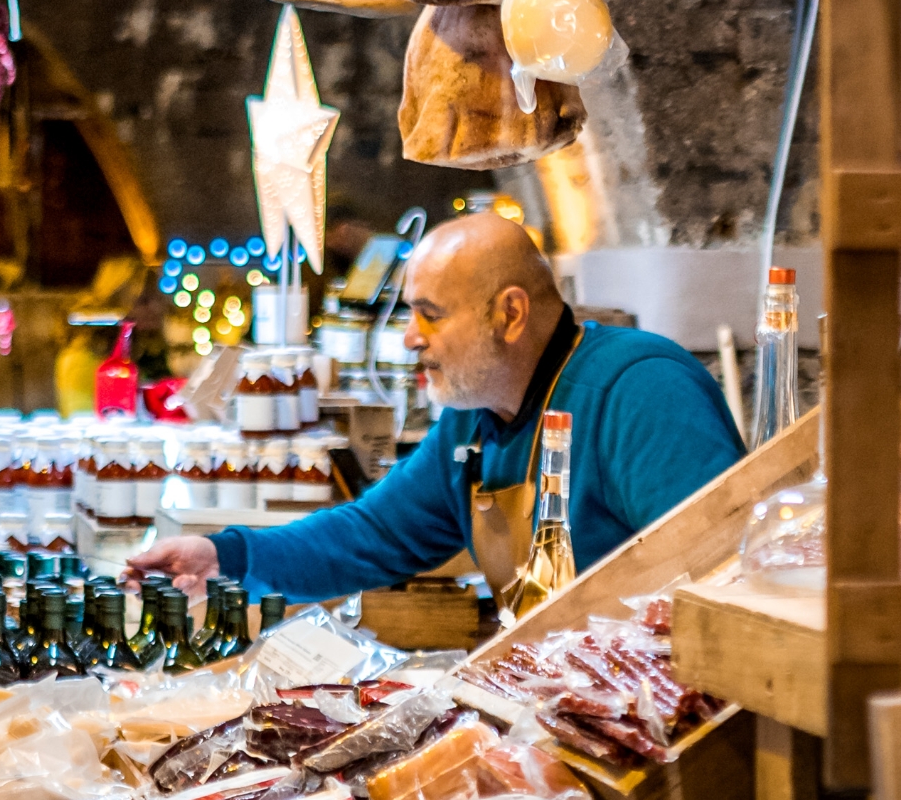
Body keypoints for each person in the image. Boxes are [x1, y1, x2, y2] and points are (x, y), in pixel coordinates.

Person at [131, 213, 745, 602]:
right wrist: (226, 555)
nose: (409, 338)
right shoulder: (473, 419)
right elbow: (374, 533)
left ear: (510, 314)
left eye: (431, 314)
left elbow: (718, 579)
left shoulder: (641, 391)